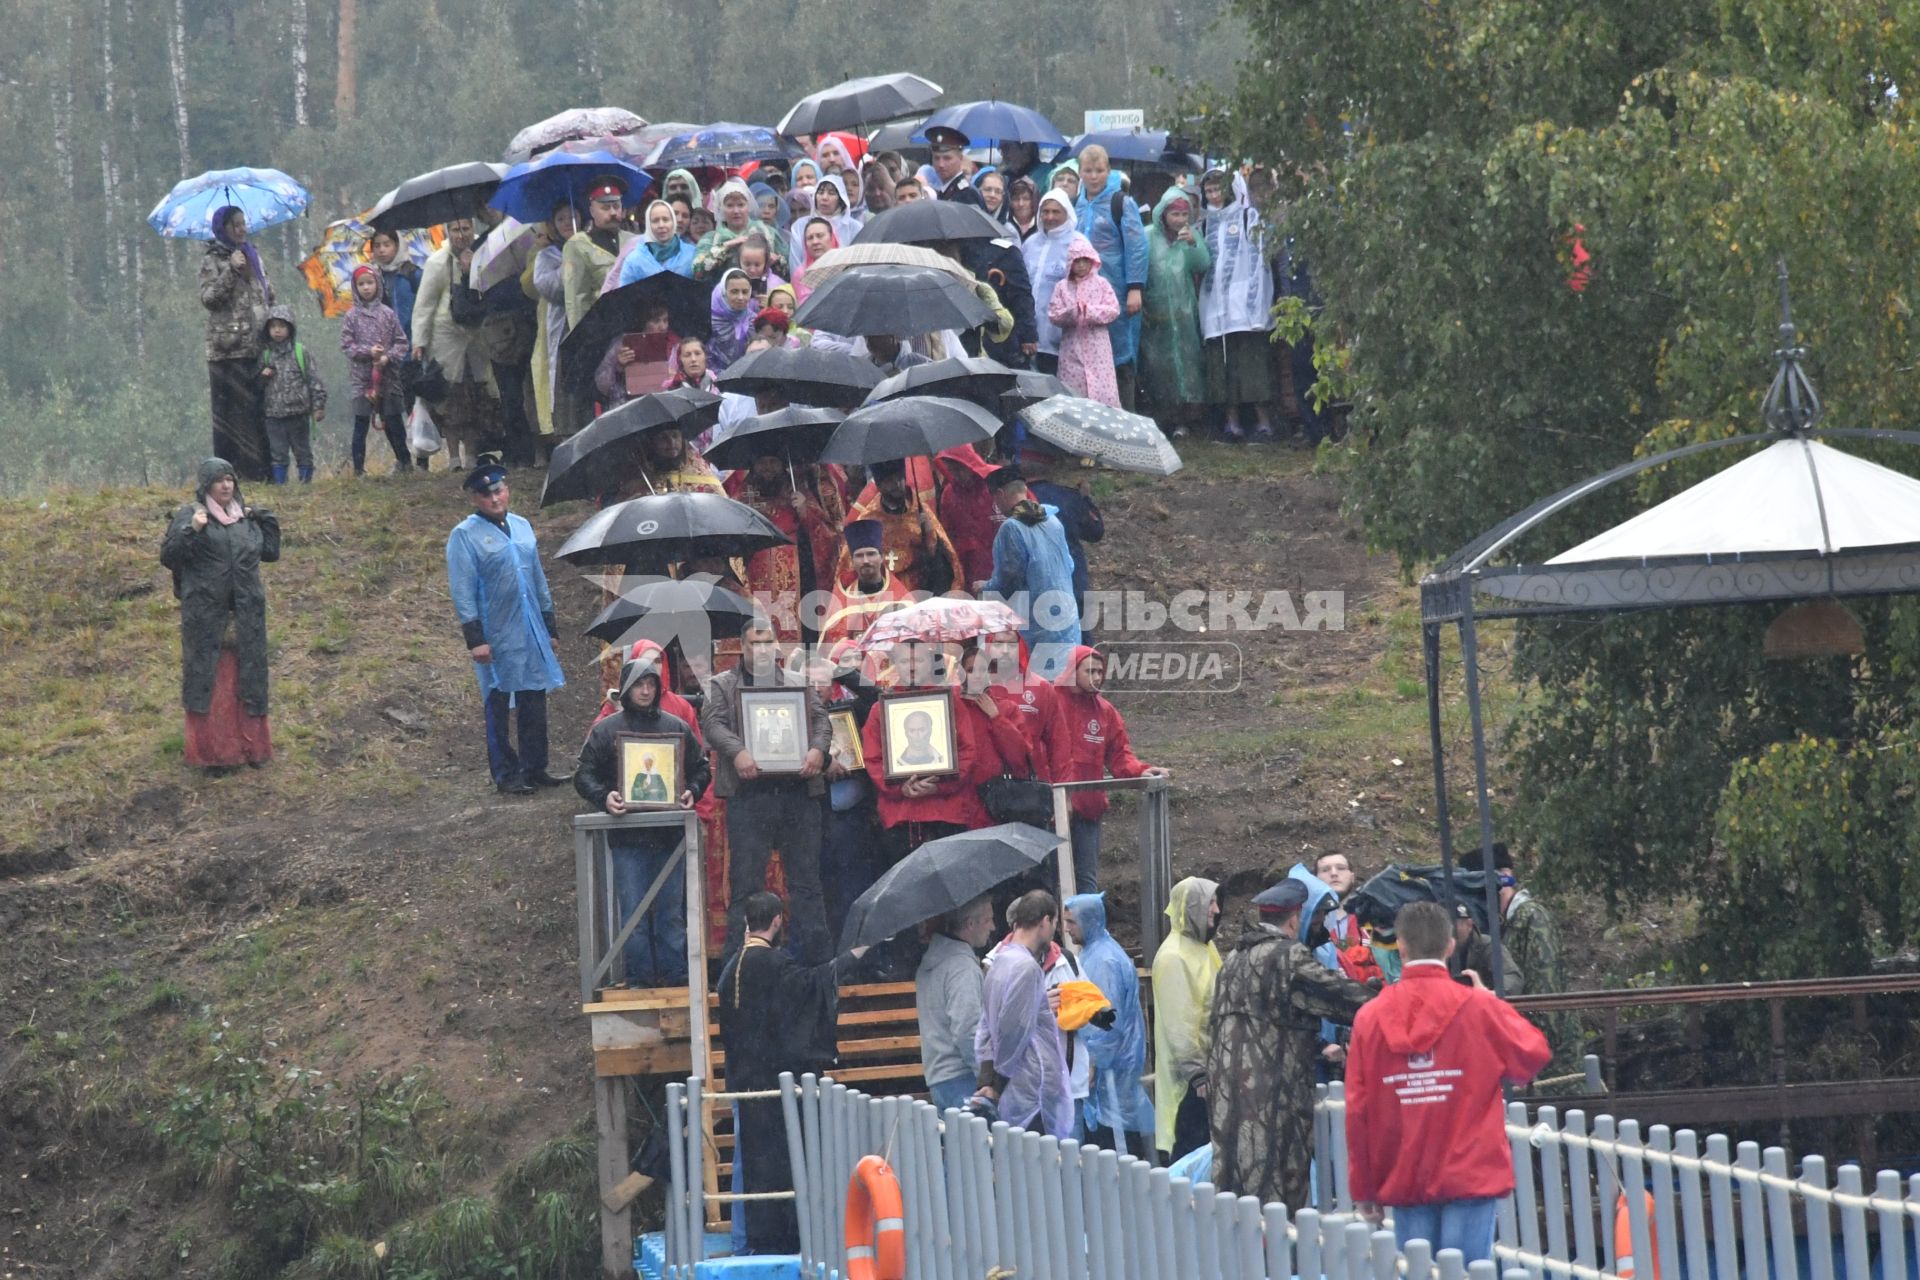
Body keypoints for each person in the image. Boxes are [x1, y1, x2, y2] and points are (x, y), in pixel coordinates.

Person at [1348, 901, 1552, 1263]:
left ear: (1402, 947)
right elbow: (1532, 1054)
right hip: (1470, 1169)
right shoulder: (1478, 1007)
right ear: (1449, 947)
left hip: (1405, 1171)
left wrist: (1364, 1188)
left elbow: (1359, 1111)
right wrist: (1490, 1001)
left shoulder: (1370, 1017)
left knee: (1418, 1271)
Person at [1208, 878, 1375, 1208]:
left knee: (1235, 1195)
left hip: (1227, 1095)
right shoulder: (1286, 956)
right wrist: (1386, 996)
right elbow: (1342, 999)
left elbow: (1262, 1020)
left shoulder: (1233, 960)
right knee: (1279, 1195)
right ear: (1295, 919)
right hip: (1273, 1097)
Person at [716, 892, 868, 1255]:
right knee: (767, 1164)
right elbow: (811, 986)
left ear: (746, 922)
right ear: (778, 921)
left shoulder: (730, 968)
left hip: (741, 1078)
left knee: (744, 1163)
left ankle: (742, 1240)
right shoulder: (771, 964)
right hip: (768, 1082)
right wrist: (850, 959)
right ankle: (767, 1239)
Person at [574, 650, 711, 986]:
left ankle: (677, 977)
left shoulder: (676, 727)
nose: (646, 691)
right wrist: (605, 797)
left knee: (670, 913)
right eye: (639, 685)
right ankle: (639, 979)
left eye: (651, 684)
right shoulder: (606, 730)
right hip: (628, 837)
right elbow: (584, 774)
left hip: (669, 837)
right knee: (633, 912)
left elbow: (702, 767)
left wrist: (692, 790)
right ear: (625, 689)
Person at [702, 618, 833, 961]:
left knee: (806, 885)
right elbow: (712, 723)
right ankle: (741, 964)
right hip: (750, 796)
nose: (761, 649)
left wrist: (818, 750)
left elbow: (821, 720)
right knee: (746, 886)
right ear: (741, 647)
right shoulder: (722, 684)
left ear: (776, 646)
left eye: (766, 642)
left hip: (797, 794)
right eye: (753, 643)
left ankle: (814, 964)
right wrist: (738, 751)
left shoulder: (797, 682)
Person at [445, 461, 566, 796]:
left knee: (534, 696)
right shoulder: (464, 536)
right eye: (486, 494)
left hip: (528, 625)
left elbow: (539, 579)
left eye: (498, 490)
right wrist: (475, 639)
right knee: (498, 701)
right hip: (495, 631)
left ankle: (535, 765)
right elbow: (463, 591)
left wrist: (549, 625)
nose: (495, 499)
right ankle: (505, 772)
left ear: (507, 489)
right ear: (475, 498)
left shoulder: (523, 526)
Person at [160, 458, 279, 770]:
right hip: (207, 618)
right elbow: (169, 556)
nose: (226, 486)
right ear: (206, 486)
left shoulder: (243, 519)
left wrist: (262, 515)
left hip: (246, 616)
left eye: (230, 479)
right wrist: (192, 530)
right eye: (219, 481)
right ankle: (215, 755)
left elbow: (271, 552)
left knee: (248, 681)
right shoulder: (192, 515)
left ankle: (252, 750)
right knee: (214, 683)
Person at [1053, 647, 1168, 894]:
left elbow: (1120, 754)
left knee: (1087, 881)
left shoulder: (1105, 712)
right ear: (1073, 672)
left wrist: (1141, 771)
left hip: (1089, 809)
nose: (1096, 677)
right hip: (1053, 808)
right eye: (1089, 671)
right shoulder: (1052, 702)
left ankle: (1087, 931)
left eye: (1099, 671)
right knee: (1052, 879)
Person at [1462, 843, 1576, 1065]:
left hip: (1554, 1064)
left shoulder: (1533, 919)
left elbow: (1546, 995)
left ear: (1504, 877)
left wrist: (1532, 1047)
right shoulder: (1497, 924)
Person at [973, 890, 1073, 1137]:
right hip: (1030, 1090)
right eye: (1055, 923)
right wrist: (996, 1084)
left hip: (1015, 1088)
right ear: (1046, 921)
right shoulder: (1027, 968)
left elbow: (986, 1028)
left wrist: (986, 1078)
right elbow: (1013, 1031)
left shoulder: (999, 963)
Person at [1064, 893, 1156, 1158]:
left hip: (1112, 1078)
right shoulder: (1095, 953)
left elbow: (1106, 1023)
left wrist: (1092, 1061)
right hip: (1110, 1078)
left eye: (1072, 922)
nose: (1067, 929)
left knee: (1118, 1158)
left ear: (1089, 921)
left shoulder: (1104, 961)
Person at [978, 466, 1082, 679]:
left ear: (1000, 495)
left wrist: (984, 587)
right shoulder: (1052, 519)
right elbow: (1069, 565)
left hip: (1037, 626)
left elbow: (1009, 581)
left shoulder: (1012, 528)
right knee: (1066, 683)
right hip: (1067, 622)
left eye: (994, 500)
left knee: (1038, 690)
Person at [1198, 167, 1277, 441]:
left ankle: (1263, 421)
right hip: (1216, 308)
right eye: (1208, 191)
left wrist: (1256, 303)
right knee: (1224, 366)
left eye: (1218, 189)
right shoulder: (1205, 224)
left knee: (1252, 365)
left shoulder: (1248, 217)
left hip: (1244, 307)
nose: (1214, 195)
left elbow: (1258, 262)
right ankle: (1232, 423)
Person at [413, 217, 498, 470]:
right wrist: (420, 341)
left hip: (477, 339)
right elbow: (424, 305)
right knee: (449, 401)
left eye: (466, 229)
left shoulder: (485, 256)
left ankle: (471, 455)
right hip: (446, 340)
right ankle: (453, 458)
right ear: (447, 232)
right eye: (455, 230)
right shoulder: (437, 262)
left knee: (475, 398)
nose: (461, 235)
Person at [199, 206, 274, 480]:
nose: (241, 229)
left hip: (256, 346)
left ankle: (262, 472)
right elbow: (209, 298)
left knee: (257, 412)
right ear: (224, 228)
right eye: (235, 225)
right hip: (227, 350)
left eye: (244, 224)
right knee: (232, 416)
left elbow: (265, 292)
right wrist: (231, 270)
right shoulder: (213, 259)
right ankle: (229, 475)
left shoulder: (253, 255)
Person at [1074, 147, 1150, 409]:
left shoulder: (1121, 202)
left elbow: (1137, 245)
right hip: (1085, 291)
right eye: (1088, 171)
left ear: (1108, 171)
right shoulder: (1078, 203)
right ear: (1080, 172)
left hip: (1116, 289)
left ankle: (1126, 413)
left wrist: (1135, 287)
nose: (1094, 176)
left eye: (1099, 171)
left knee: (1121, 352)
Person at [1153, 876, 1222, 1160]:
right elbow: (1179, 1027)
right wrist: (1197, 1075)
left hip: (1212, 1075)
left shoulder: (1205, 949)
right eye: (1210, 902)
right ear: (1191, 906)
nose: (1216, 910)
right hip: (1190, 1088)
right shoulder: (1173, 957)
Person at [1141, 188, 1212, 436]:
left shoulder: (1191, 236)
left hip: (1183, 314)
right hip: (1155, 315)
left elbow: (1203, 264)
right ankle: (1163, 417)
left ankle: (1187, 418)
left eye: (1184, 214)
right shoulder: (1148, 236)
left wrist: (1194, 244)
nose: (1180, 219)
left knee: (1187, 364)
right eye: (1175, 214)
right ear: (1163, 214)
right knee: (1158, 366)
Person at [834, 459, 963, 595]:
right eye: (889, 481)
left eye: (900, 478)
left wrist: (929, 534)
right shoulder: (868, 520)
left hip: (919, 592)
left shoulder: (919, 511)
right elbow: (848, 567)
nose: (897, 485)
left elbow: (944, 560)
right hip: (883, 595)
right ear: (879, 485)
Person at [916, 895, 994, 1113]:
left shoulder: (932, 961)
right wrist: (986, 1078)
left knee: (956, 1146)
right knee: (979, 1145)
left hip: (940, 1077)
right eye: (988, 920)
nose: (993, 927)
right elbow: (967, 1030)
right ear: (971, 924)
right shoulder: (962, 968)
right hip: (965, 1078)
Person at [340, 266, 413, 476]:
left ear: (378, 284)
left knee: (393, 421)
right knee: (361, 422)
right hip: (362, 380)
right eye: (361, 284)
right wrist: (368, 351)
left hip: (388, 378)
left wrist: (387, 357)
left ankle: (404, 462)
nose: (366, 288)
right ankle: (359, 469)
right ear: (355, 287)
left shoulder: (388, 314)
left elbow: (401, 342)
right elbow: (347, 346)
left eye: (369, 283)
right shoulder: (351, 316)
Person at [526, 201, 582, 440]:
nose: (567, 223)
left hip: (590, 325)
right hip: (563, 332)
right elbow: (549, 288)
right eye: (561, 219)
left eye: (572, 217)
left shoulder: (592, 246)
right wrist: (571, 265)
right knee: (565, 389)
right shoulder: (547, 255)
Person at [1024, 455, 1105, 618]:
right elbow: (1095, 531)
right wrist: (1086, 498)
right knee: (1079, 635)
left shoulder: (1017, 501)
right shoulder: (1070, 497)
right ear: (1051, 468)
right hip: (1072, 580)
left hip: (1034, 582)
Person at [256, 304, 326, 484]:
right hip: (274, 415)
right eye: (273, 326)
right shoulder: (265, 355)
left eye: (282, 326)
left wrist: (318, 405)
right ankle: (281, 486)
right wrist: (262, 376)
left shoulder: (300, 352)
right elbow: (256, 387)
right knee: (278, 454)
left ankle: (305, 484)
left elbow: (313, 379)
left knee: (302, 451)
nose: (277, 330)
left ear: (290, 328)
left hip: (298, 413)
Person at [1049, 237, 1123, 407]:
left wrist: (1090, 311)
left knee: (1103, 390)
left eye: (1085, 261)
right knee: (1073, 391)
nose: (1081, 265)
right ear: (1070, 263)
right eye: (1077, 261)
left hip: (1098, 348)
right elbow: (1054, 314)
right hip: (1072, 347)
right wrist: (1072, 312)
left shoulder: (1102, 284)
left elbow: (1113, 310)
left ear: (1092, 260)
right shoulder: (1062, 287)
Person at [819, 520, 917, 647]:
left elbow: (910, 648)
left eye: (871, 554)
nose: (865, 561)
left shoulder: (901, 600)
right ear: (852, 561)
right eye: (859, 556)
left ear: (881, 557)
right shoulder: (843, 603)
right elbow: (834, 650)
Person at [562, 179, 635, 327]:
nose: (613, 212)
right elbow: (576, 300)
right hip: (601, 326)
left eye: (616, 206)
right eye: (606, 208)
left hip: (635, 323)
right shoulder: (579, 245)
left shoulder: (633, 241)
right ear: (592, 211)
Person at [1023, 191, 1080, 376]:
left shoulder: (1078, 244)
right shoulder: (1030, 243)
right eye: (1045, 211)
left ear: (1067, 213)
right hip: (1029, 337)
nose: (1050, 217)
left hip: (1061, 339)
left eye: (1056, 212)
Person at [694, 179, 789, 281]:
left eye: (740, 205)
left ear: (748, 206)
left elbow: (788, 269)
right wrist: (726, 246)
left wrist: (776, 261)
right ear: (721, 208)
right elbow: (697, 270)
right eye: (730, 205)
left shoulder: (768, 233)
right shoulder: (711, 239)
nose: (736, 211)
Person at [1316, 850, 1385, 985]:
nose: (1334, 873)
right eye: (1325, 870)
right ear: (1315, 879)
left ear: (1352, 876)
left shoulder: (1374, 918)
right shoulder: (1306, 923)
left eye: (1341, 868)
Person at [1449, 901, 1527, 994]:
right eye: (1443, 927)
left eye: (1453, 926)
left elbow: (1512, 978)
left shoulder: (1487, 945)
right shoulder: (1436, 948)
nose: (1448, 932)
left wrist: (1493, 994)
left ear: (1469, 925)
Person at [369, 228, 421, 338]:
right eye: (377, 246)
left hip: (415, 341)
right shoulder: (375, 277)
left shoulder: (412, 273)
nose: (381, 250)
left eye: (387, 245)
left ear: (397, 246)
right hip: (390, 344)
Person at [708, 269, 761, 373]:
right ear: (724, 292)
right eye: (734, 291)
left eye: (745, 292)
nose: (740, 297)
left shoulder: (756, 320)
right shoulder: (709, 321)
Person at [923, 127, 983, 205]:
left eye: (947, 158)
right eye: (936, 158)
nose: (941, 164)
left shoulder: (967, 194)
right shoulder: (946, 190)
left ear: (960, 158)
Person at [1006, 177, 1040, 242]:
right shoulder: (1004, 225)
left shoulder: (1042, 226)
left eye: (1026, 199)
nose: (1021, 204)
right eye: (1016, 199)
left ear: (1034, 200)